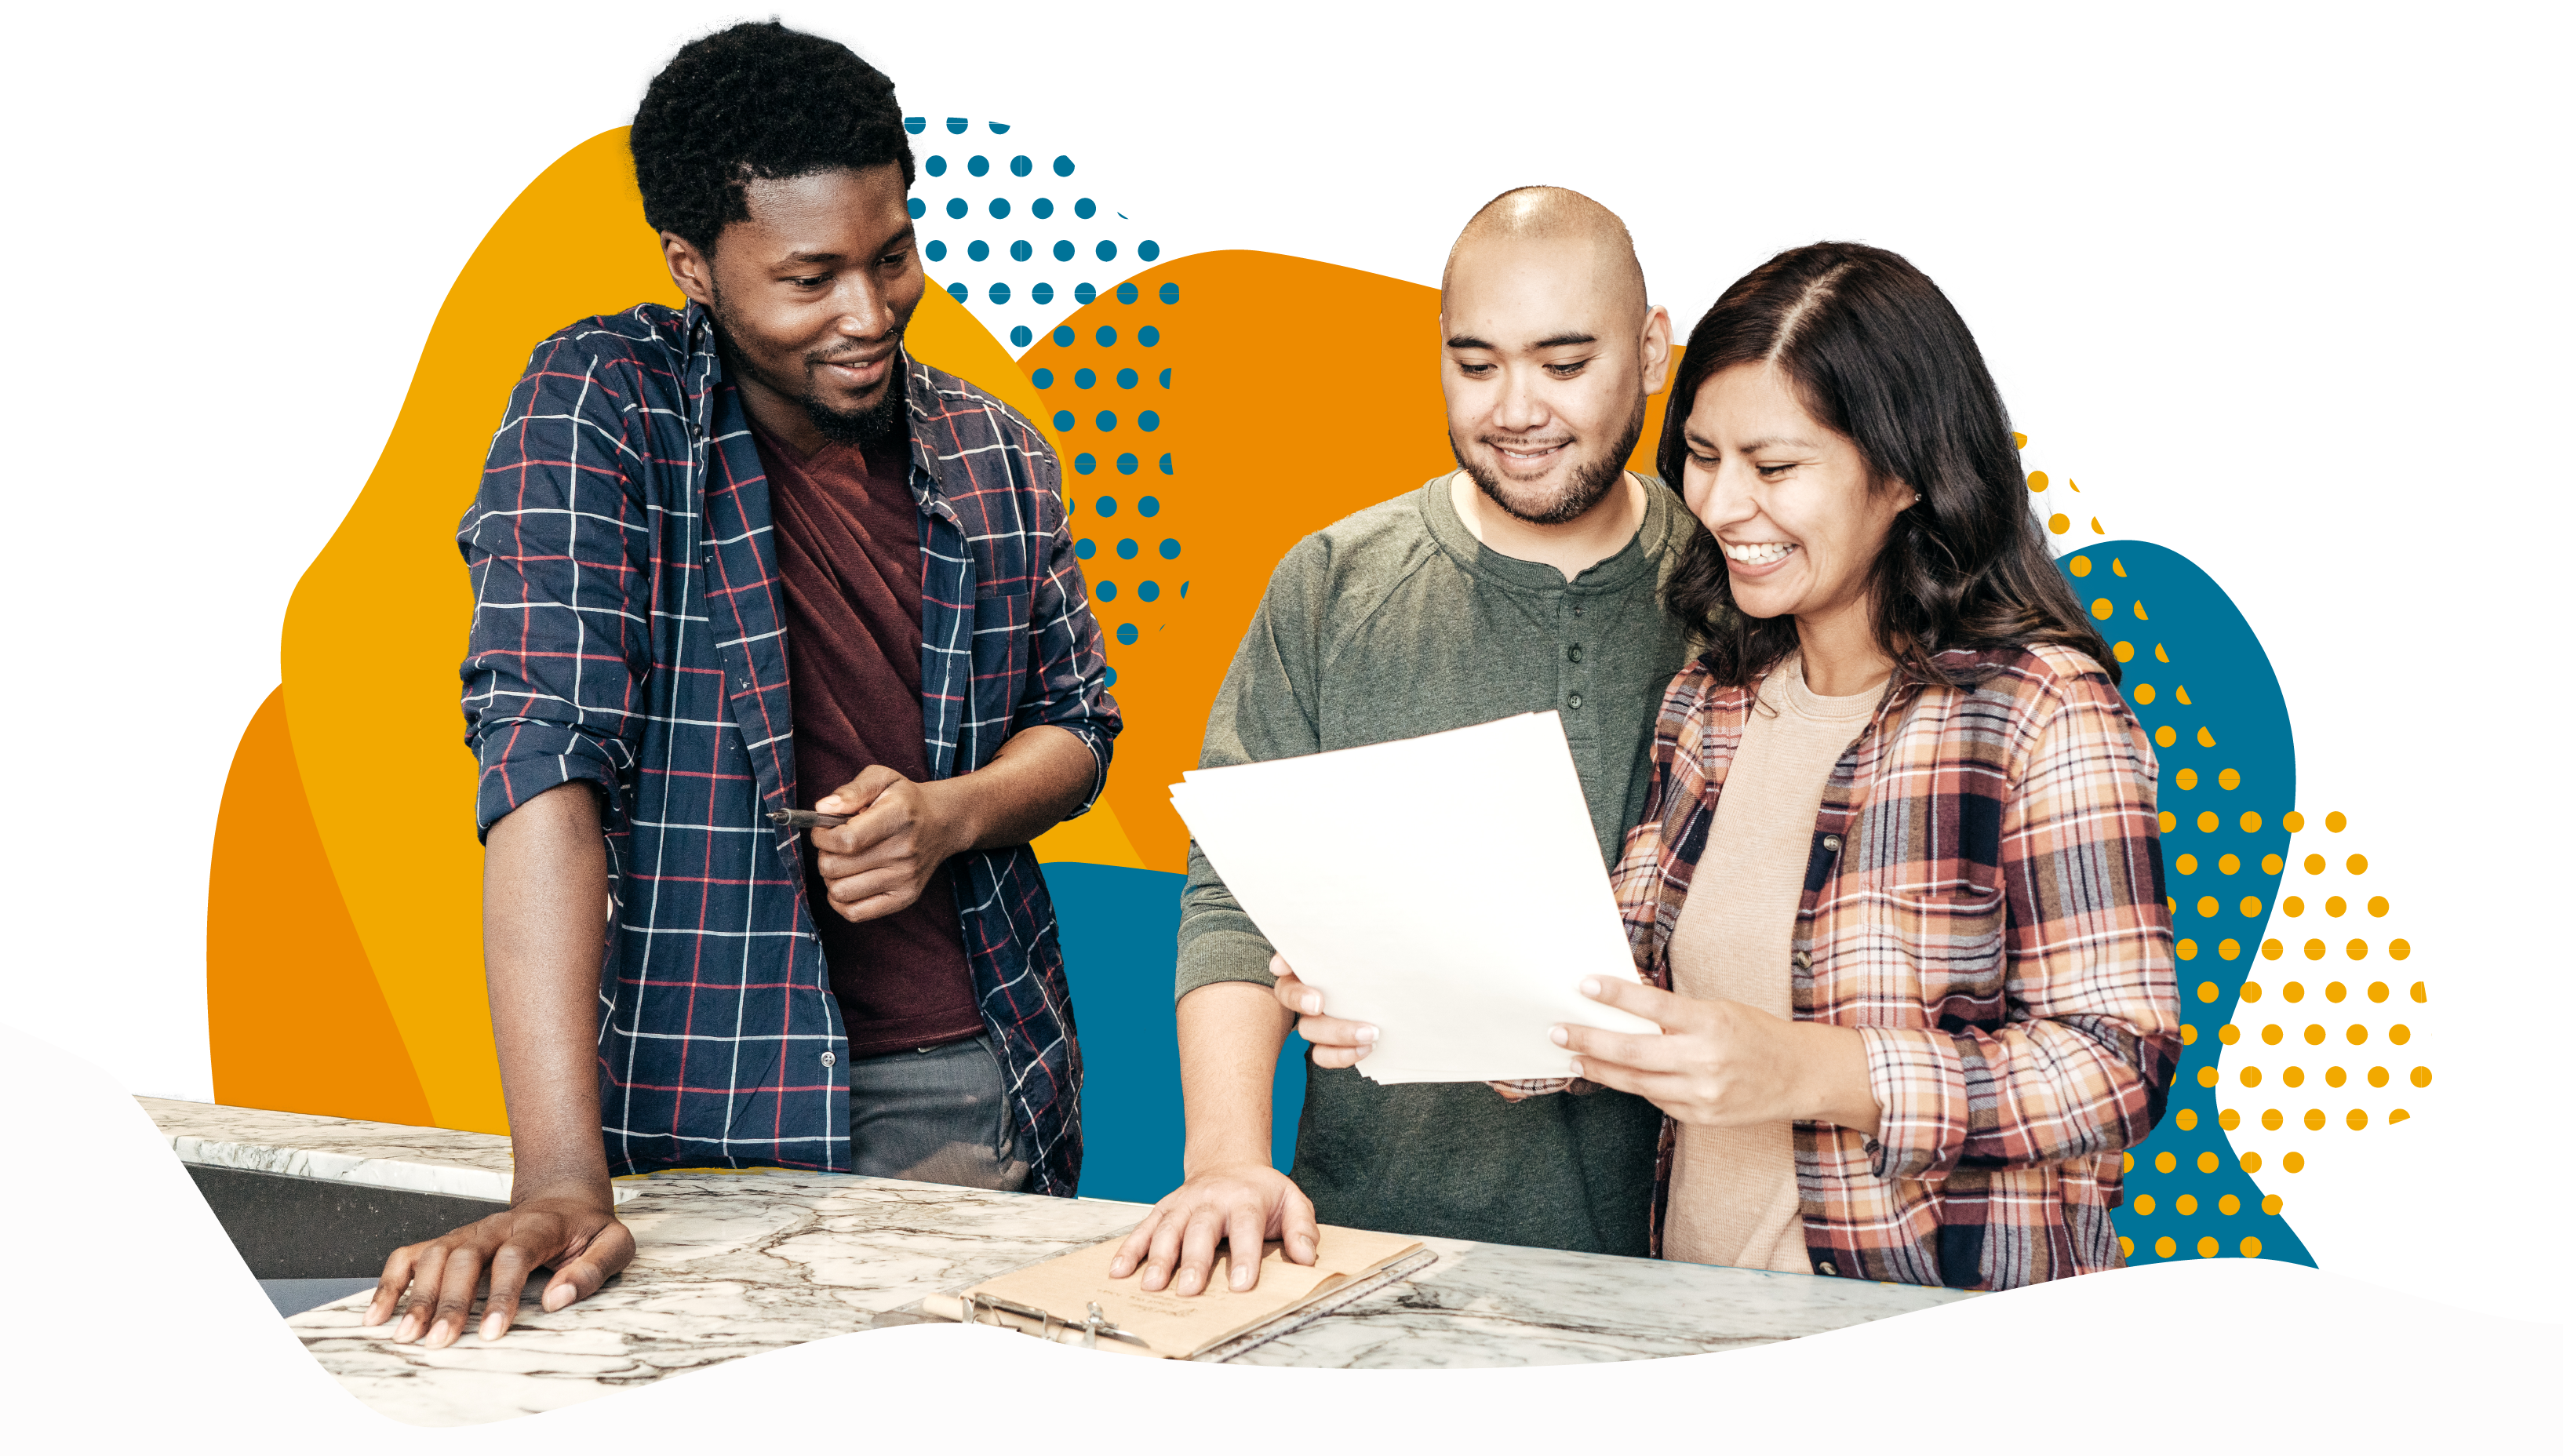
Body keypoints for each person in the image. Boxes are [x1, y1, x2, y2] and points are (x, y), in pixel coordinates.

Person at [367, 11, 1120, 1349]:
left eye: (892, 257)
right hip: (699, 1103)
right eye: (809, 277)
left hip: (971, 1087)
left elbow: (1076, 727)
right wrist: (558, 1178)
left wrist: (947, 815)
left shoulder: (997, 451)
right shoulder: (603, 405)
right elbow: (543, 763)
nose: (866, 314)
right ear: (692, 264)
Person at [1299, 235, 2179, 1289]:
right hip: (1699, 1329)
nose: (1718, 507)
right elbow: (1617, 991)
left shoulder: (2038, 711)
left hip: (1925, 1338)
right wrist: (1422, 996)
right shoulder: (1710, 704)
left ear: (1905, 473)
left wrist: (1809, 1070)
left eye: (1773, 468)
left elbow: (2117, 1064)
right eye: (1702, 457)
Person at [1111, 186, 1691, 1298]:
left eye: (1565, 364)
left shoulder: (1738, 588)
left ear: (1652, 350)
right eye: (1476, 364)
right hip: (1368, 1250)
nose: (1516, 409)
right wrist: (1226, 1163)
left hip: (1686, 1265)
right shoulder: (1332, 584)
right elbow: (1234, 899)